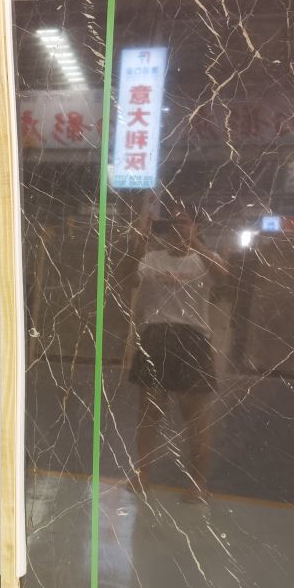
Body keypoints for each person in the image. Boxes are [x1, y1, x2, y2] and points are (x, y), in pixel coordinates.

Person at [128, 208, 227, 503]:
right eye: (171, 223)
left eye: (182, 223)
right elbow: (127, 276)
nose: (175, 228)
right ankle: (143, 473)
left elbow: (223, 277)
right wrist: (140, 241)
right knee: (149, 412)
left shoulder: (204, 259)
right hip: (155, 336)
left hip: (192, 339)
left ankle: (198, 483)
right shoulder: (151, 259)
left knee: (195, 415)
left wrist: (194, 243)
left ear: (195, 226)